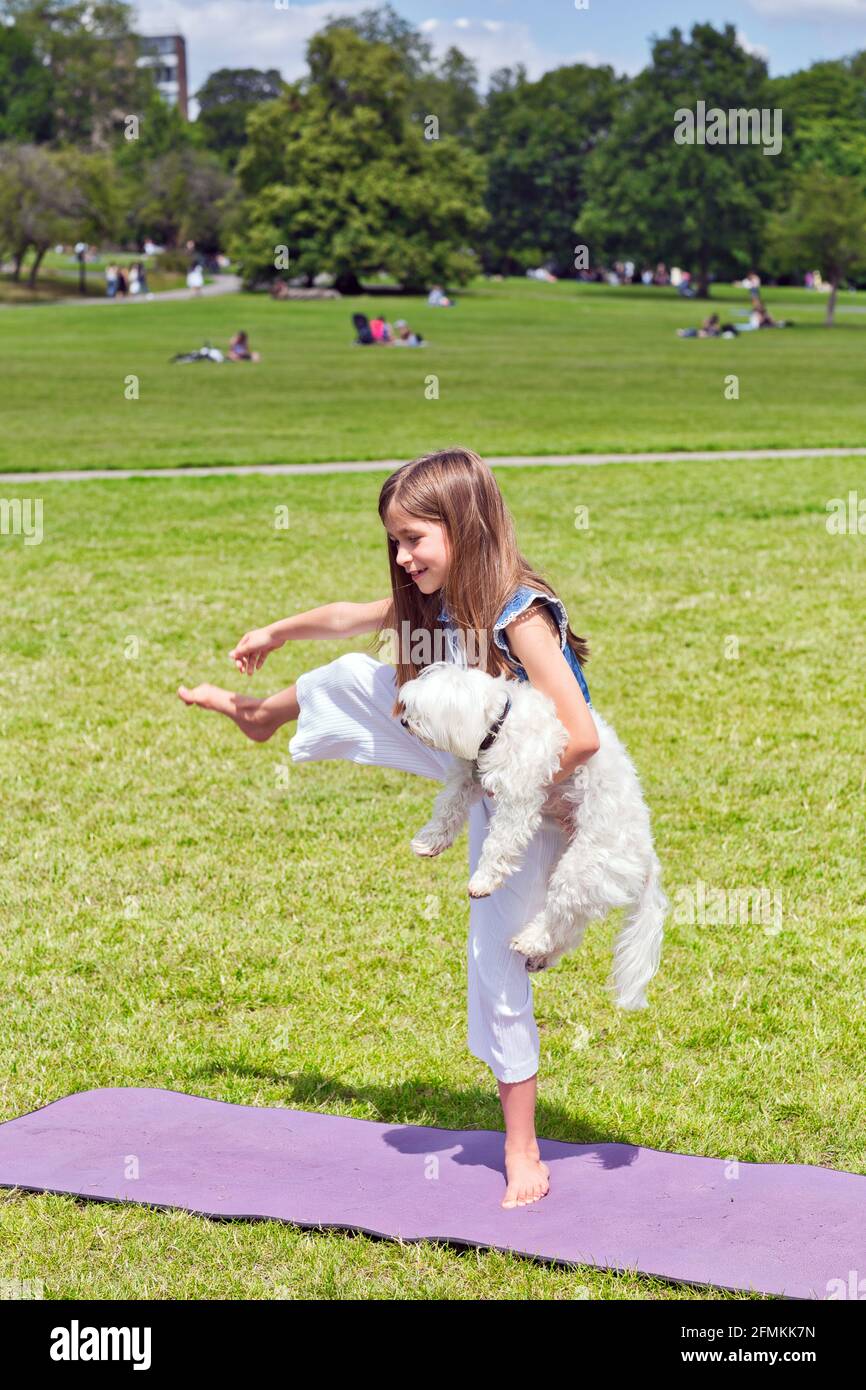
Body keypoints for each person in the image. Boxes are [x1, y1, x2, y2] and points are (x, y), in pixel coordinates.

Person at [176, 446, 600, 1211]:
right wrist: (276, 630)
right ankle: (261, 720)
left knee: (494, 948)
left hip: (545, 791)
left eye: (415, 539)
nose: (402, 558)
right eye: (395, 542)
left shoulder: (520, 614)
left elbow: (582, 736)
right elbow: (350, 618)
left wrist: (504, 790)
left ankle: (522, 1146)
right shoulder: (432, 597)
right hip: (479, 757)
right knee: (347, 676)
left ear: (465, 526)